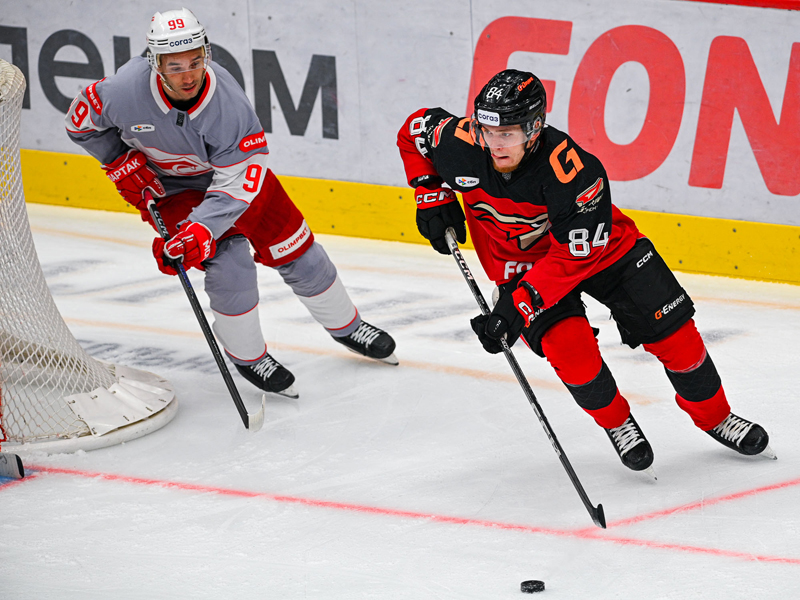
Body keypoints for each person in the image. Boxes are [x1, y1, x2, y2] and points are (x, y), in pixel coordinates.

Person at [397, 69, 773, 473]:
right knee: (572, 354)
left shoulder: (573, 171)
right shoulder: (459, 142)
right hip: (522, 263)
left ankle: (716, 417)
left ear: (534, 129)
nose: (495, 144)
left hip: (602, 249)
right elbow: (413, 131)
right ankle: (617, 423)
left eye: (507, 134)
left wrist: (519, 304)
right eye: (488, 132)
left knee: (678, 339)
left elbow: (573, 257)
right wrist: (429, 191)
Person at [65, 8, 397, 399]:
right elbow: (79, 123)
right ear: (155, 63)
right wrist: (117, 159)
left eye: (195, 62)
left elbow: (237, 184)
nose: (188, 76)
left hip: (233, 182)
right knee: (230, 261)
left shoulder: (229, 105)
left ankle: (347, 326)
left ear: (206, 53)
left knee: (299, 251)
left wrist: (201, 229)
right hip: (171, 189)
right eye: (175, 67)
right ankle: (249, 356)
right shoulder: (123, 91)